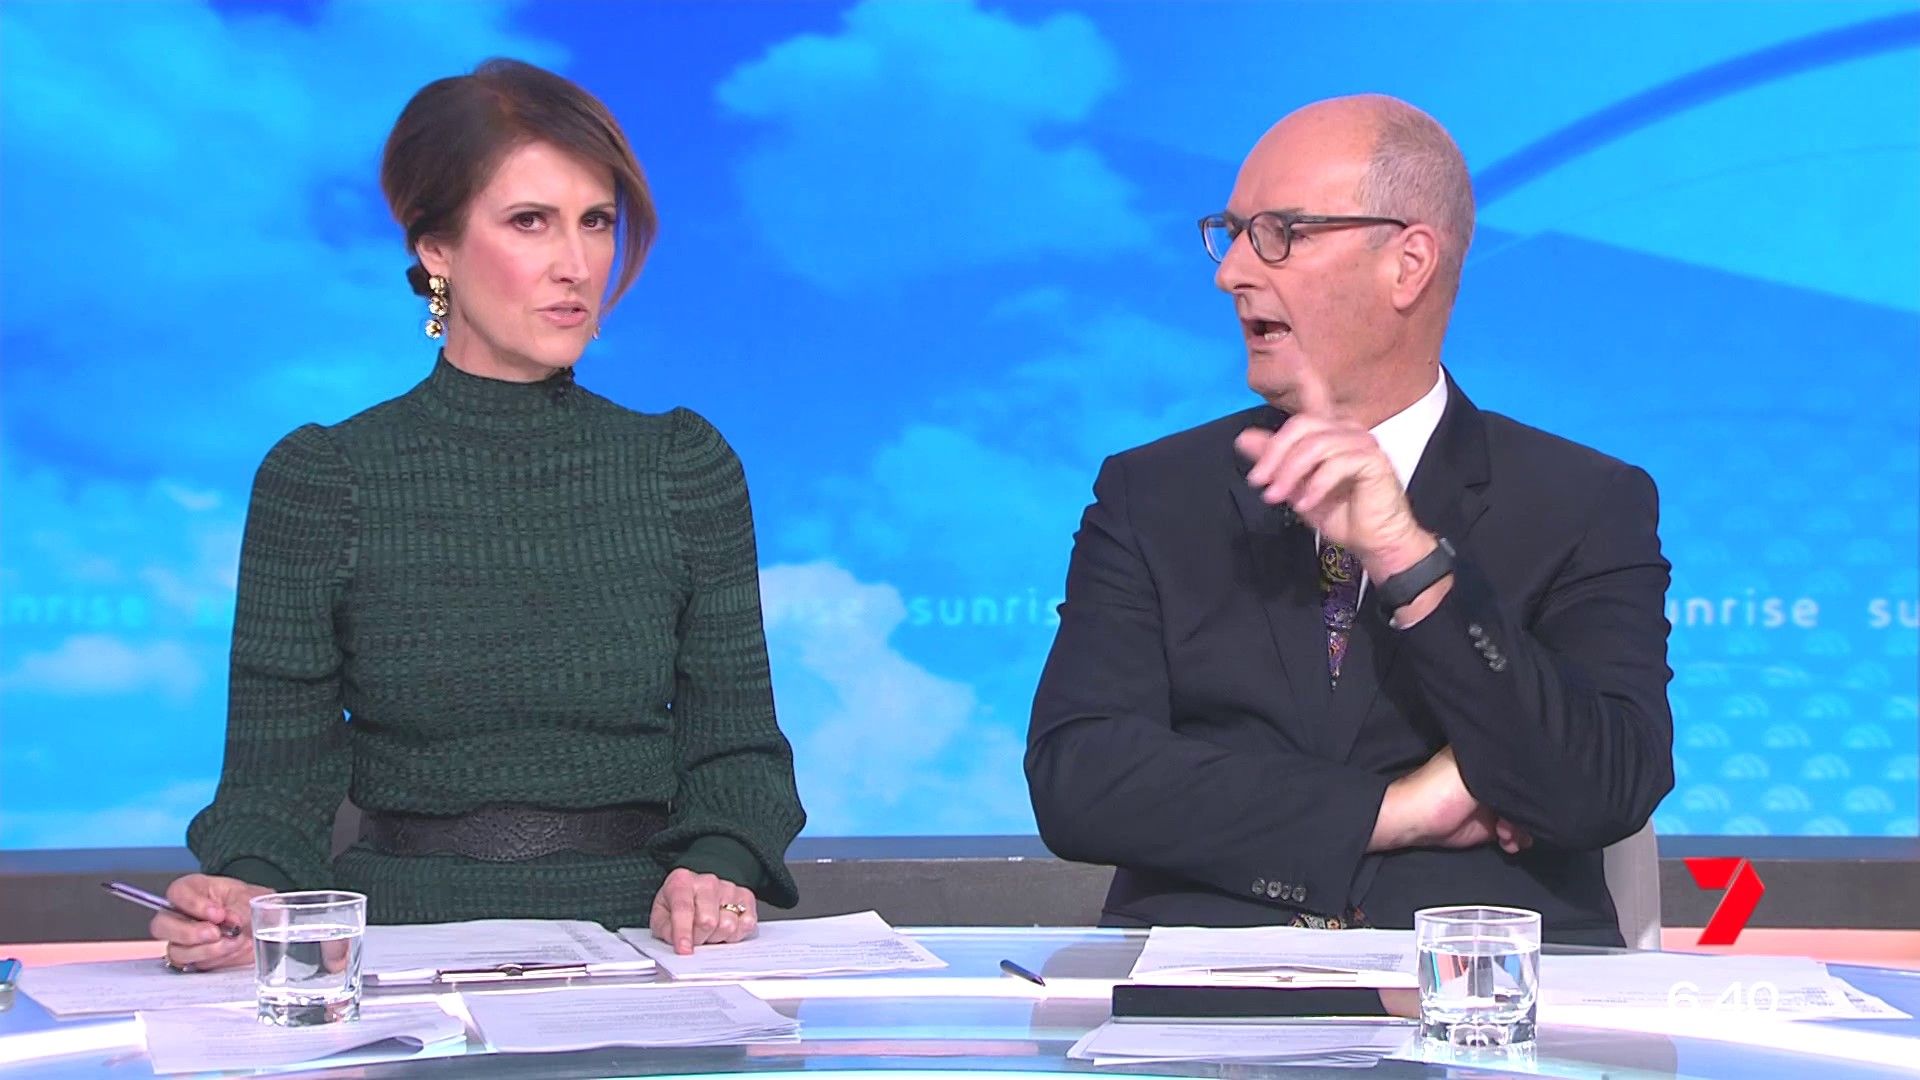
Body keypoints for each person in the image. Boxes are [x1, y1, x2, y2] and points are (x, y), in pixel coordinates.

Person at [152, 58, 806, 972]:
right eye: (529, 221)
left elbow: (738, 751)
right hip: (401, 947)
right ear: (438, 249)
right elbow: (274, 784)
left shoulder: (682, 464)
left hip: (652, 946)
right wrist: (246, 889)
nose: (576, 264)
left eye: (596, 221)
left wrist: (719, 866)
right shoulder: (323, 477)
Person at [1024, 94, 1673, 945]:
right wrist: (1392, 811)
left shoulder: (1583, 501)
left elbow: (1605, 784)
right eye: (1232, 232)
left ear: (1408, 263)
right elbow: (1081, 780)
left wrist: (1407, 557)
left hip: (1482, 992)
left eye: (1280, 234)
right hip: (1204, 993)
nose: (1231, 273)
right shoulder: (1154, 493)